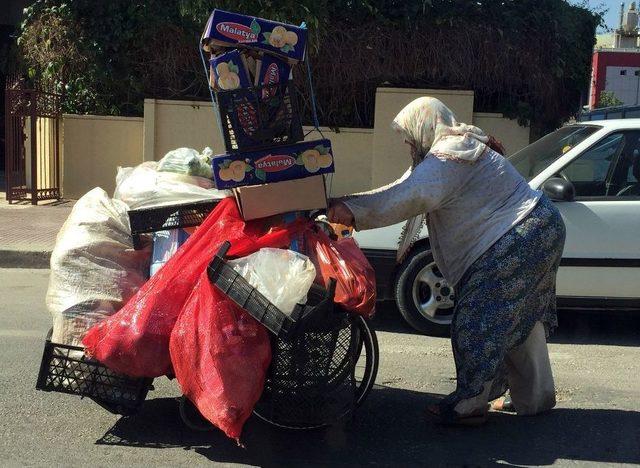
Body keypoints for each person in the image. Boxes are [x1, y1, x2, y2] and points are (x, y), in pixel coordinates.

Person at [327, 97, 566, 426]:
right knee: (519, 319)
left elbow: (412, 196)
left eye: (409, 135)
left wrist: (352, 210)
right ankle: (534, 397)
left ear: (424, 126)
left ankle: (469, 403)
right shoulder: (457, 149)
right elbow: (405, 186)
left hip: (517, 235)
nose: (407, 143)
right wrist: (350, 202)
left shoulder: (448, 156)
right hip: (539, 227)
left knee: (476, 319)